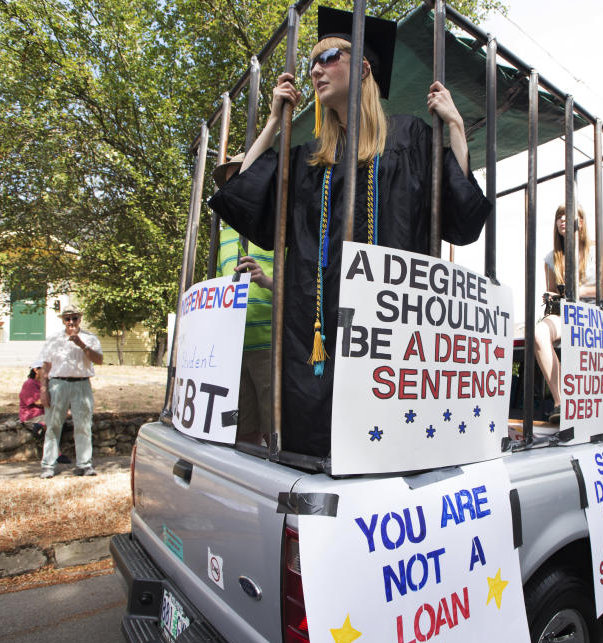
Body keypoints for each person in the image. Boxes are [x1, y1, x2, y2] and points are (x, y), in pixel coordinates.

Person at [208, 7, 491, 457]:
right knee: (317, 445)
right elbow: (242, 192)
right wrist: (272, 123)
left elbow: (461, 212)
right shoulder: (308, 159)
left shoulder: (411, 138)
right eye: (312, 62)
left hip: (389, 334)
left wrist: (455, 126)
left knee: (388, 446)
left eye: (329, 57)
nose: (316, 70)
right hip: (314, 337)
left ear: (361, 67)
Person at [535, 203, 603, 423]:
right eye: (559, 216)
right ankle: (561, 402)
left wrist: (583, 291)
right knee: (538, 334)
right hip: (568, 313)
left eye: (568, 215)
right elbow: (554, 292)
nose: (562, 219)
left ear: (580, 222)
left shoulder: (600, 250)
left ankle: (597, 404)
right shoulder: (552, 258)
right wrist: (551, 296)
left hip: (598, 313)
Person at [213, 153, 275, 446]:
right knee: (243, 431)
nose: (234, 190)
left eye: (240, 180)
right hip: (233, 350)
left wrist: (266, 281)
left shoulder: (278, 229)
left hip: (270, 347)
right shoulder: (223, 235)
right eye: (229, 185)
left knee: (277, 432)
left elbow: (303, 290)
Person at [38, 304, 103, 478]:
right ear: (63, 321)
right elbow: (45, 366)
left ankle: (84, 464)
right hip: (58, 384)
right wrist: (44, 390)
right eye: (68, 318)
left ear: (80, 319)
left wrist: (81, 344)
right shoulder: (53, 339)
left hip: (81, 384)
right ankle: (48, 465)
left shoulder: (89, 338)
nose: (71, 322)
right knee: (53, 425)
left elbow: (99, 360)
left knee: (83, 425)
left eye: (74, 318)